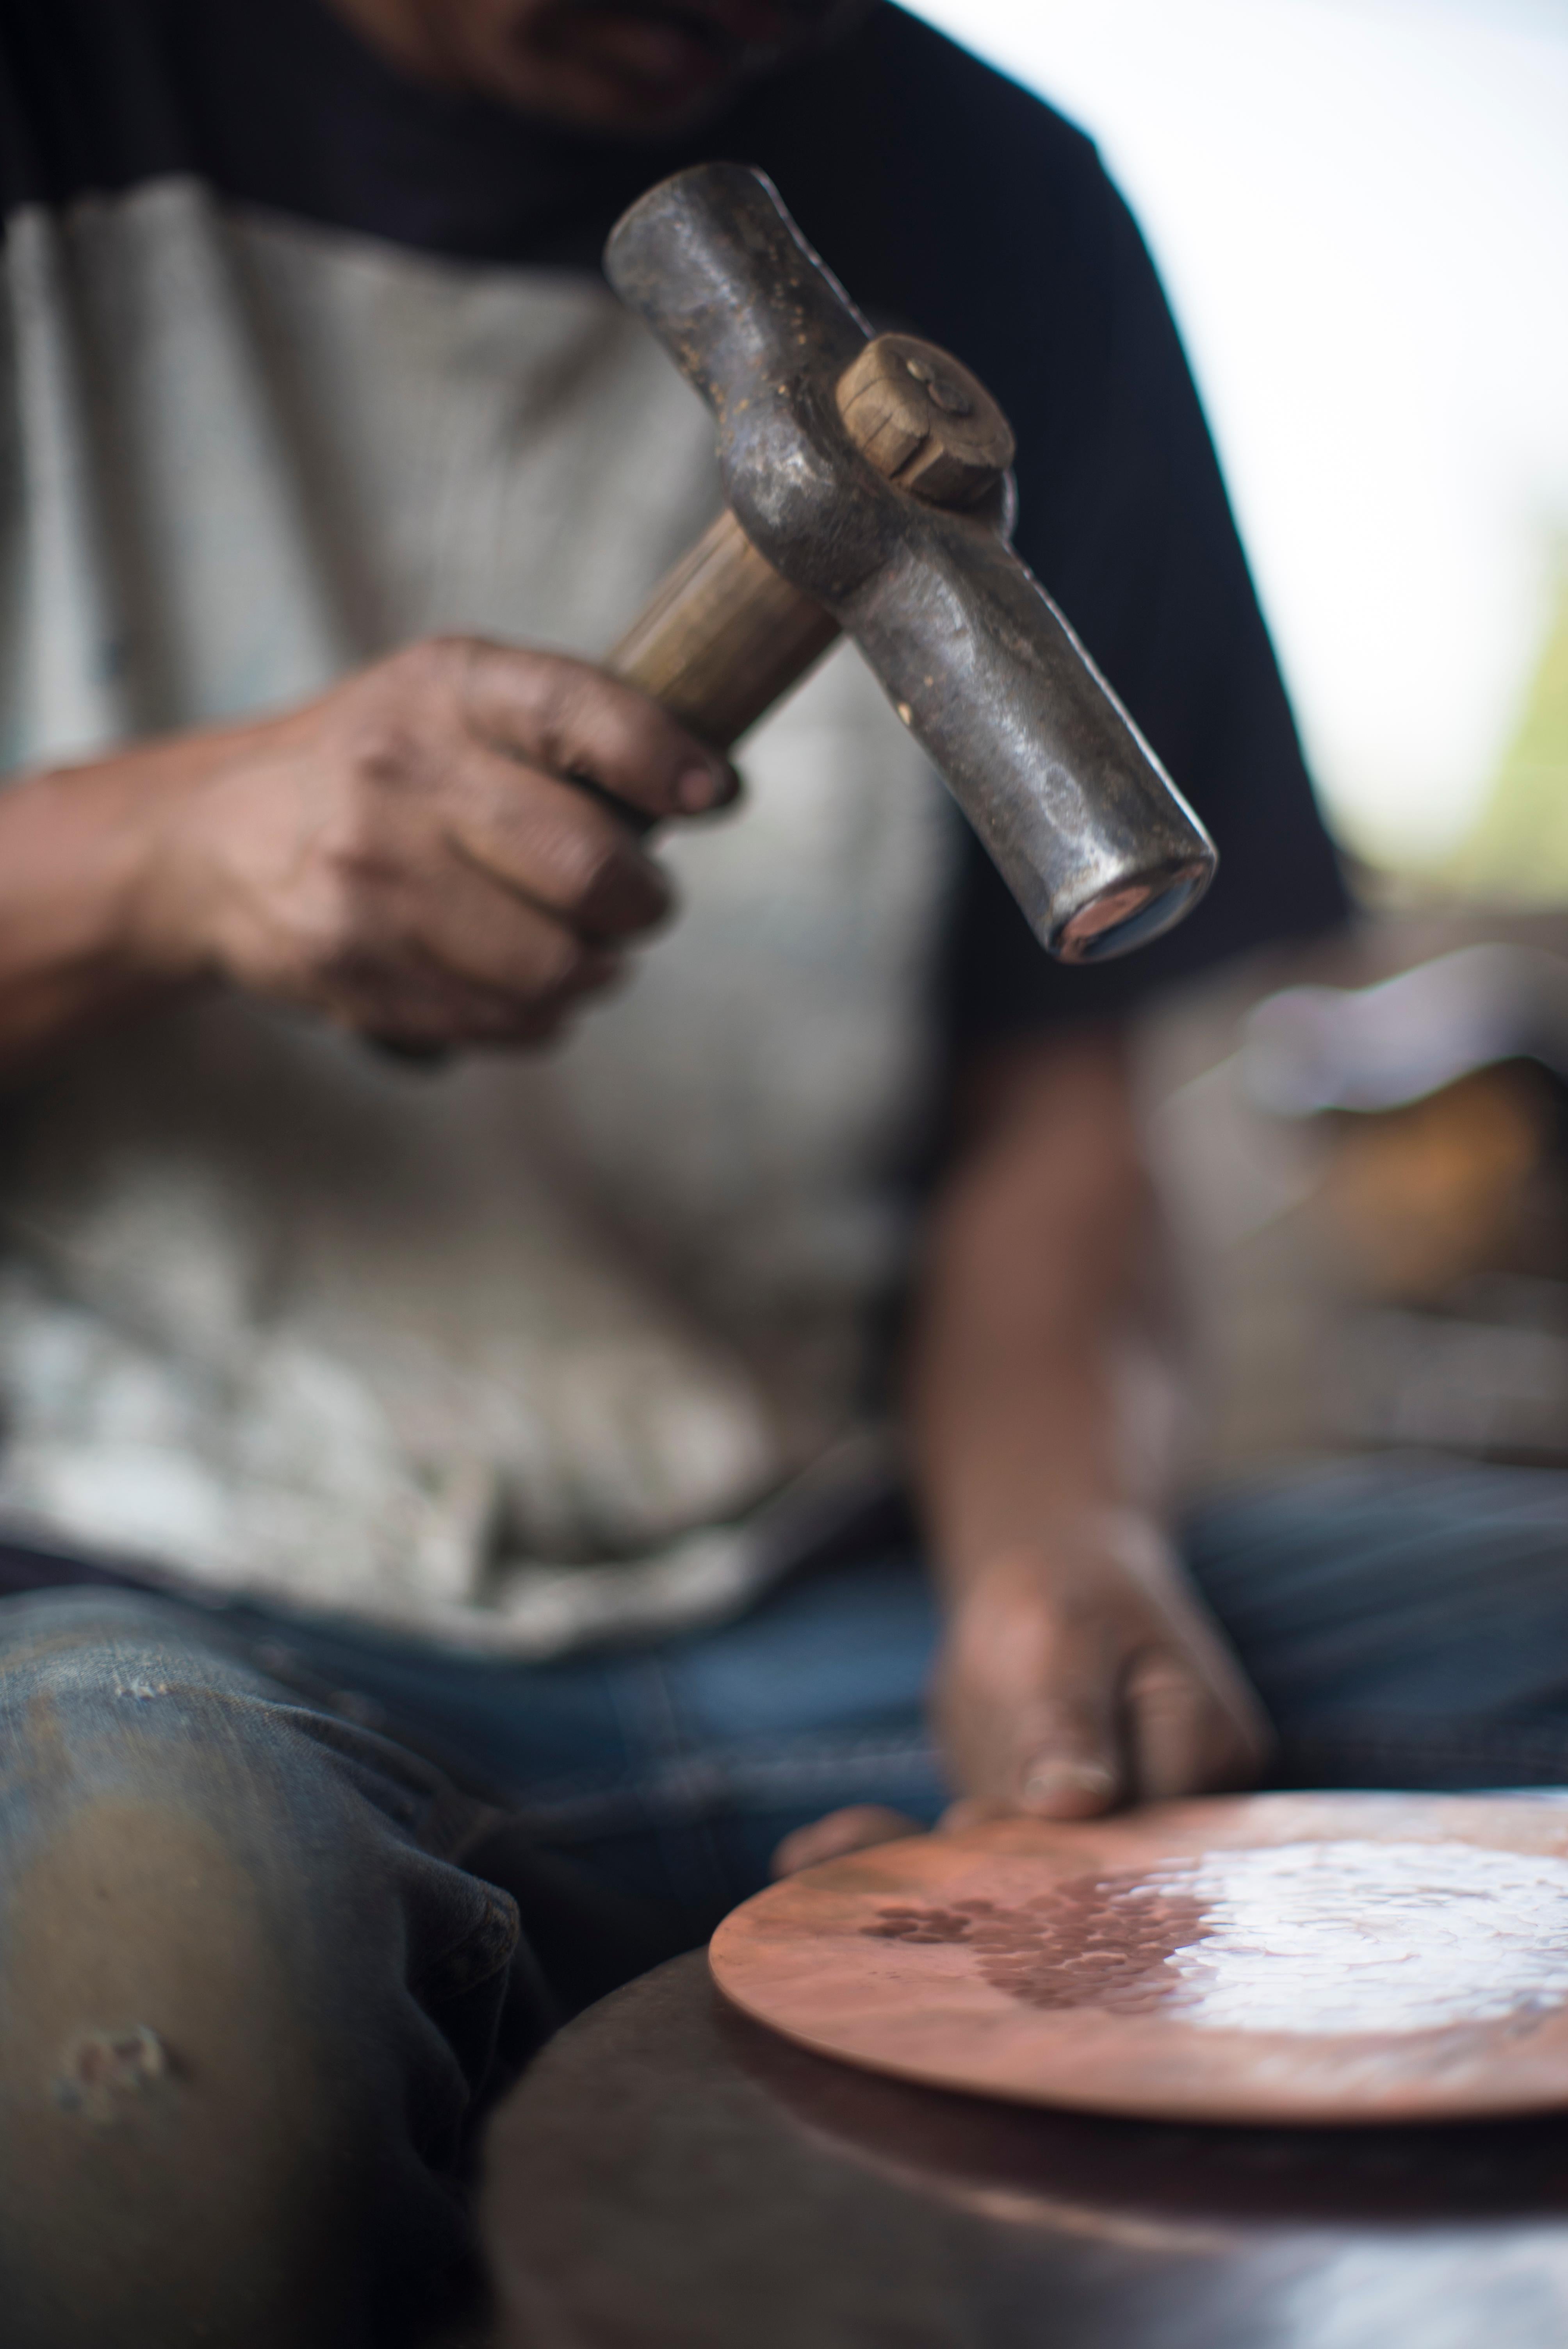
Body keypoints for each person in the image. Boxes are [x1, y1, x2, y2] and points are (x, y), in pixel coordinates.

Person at [4, 2, 1563, 2340]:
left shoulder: (1009, 208)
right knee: (154, 2059)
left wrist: (1061, 1551)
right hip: (164, 1594)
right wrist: (151, 858)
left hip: (837, 1591)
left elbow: (1059, 1117)